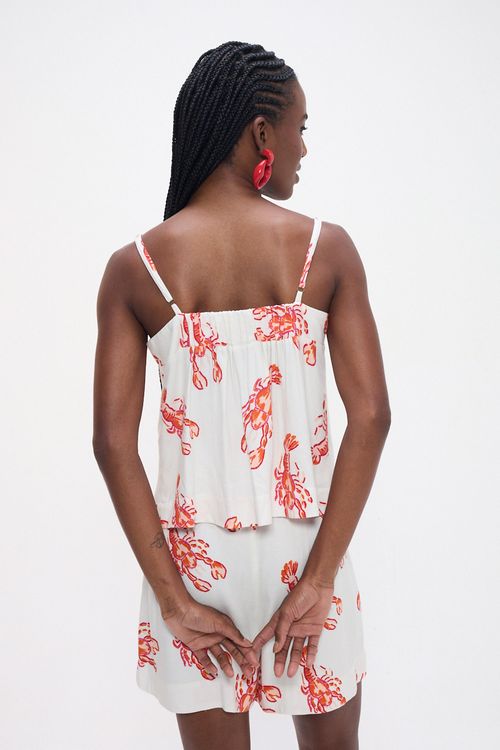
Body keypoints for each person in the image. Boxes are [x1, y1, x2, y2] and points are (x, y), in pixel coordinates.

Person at [93, 40, 391, 750]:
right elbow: (373, 416)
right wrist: (318, 581)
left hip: (193, 568)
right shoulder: (325, 250)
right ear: (262, 132)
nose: (303, 149)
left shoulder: (136, 268)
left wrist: (173, 601)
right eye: (300, 128)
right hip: (308, 553)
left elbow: (110, 443)